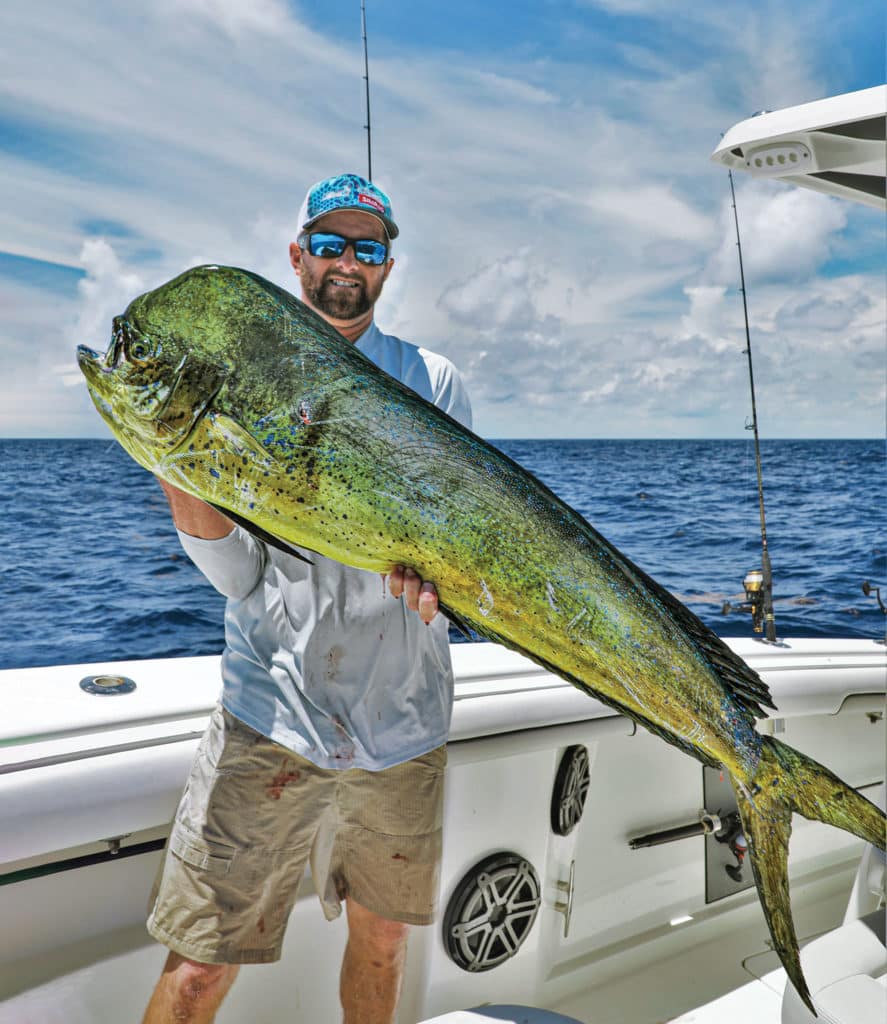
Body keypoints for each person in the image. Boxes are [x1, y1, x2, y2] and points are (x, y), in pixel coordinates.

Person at [141, 174, 472, 1024]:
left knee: (384, 943)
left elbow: (459, 544)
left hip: (404, 726)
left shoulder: (431, 382)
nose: (347, 263)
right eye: (328, 244)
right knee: (199, 972)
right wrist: (182, 477)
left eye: (367, 247)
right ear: (296, 257)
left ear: (389, 266)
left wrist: (444, 591)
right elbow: (242, 577)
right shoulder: (238, 383)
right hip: (269, 716)